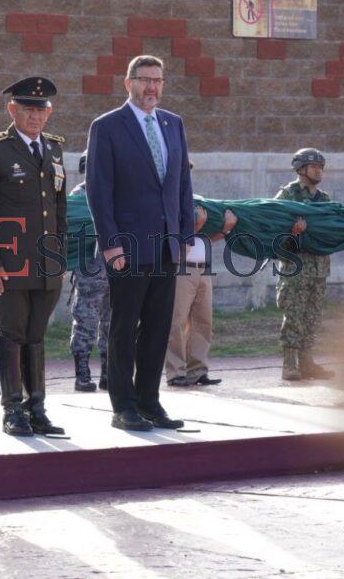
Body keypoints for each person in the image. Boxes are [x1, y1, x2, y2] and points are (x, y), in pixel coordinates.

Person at [85, 55, 194, 432]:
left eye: (158, 80)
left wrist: (182, 239)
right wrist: (110, 244)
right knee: (124, 326)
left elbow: (182, 186)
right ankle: (124, 406)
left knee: (159, 327)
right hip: (127, 246)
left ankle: (150, 402)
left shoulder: (173, 124)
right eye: (144, 79)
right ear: (127, 82)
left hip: (166, 245)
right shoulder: (108, 127)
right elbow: (100, 191)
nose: (152, 87)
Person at [0, 76, 68, 437]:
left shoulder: (54, 149)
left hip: (47, 263)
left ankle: (36, 408)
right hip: (10, 263)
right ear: (12, 109)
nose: (35, 115)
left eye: (41, 109)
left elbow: (59, 210)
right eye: (28, 108)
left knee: (36, 334)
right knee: (12, 331)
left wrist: (62, 257)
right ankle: (12, 410)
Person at [274, 148, 344, 381]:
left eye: (321, 167)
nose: (319, 171)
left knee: (313, 316)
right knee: (294, 313)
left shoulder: (324, 199)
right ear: (301, 169)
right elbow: (272, 228)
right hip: (296, 266)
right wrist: (293, 232)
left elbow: (331, 233)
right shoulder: (287, 195)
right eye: (314, 166)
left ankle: (307, 363)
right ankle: (289, 364)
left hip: (319, 267)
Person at [164, 202, 237, 386]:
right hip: (182, 270)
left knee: (203, 322)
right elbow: (172, 239)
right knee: (177, 321)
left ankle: (197, 371)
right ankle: (176, 373)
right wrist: (195, 226)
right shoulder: (176, 205)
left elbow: (206, 240)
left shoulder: (200, 205)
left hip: (203, 270)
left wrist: (224, 231)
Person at [68, 151, 110, 392]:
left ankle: (107, 371)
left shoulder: (116, 193)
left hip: (116, 268)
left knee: (111, 322)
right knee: (85, 320)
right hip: (90, 272)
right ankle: (82, 373)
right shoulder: (79, 196)